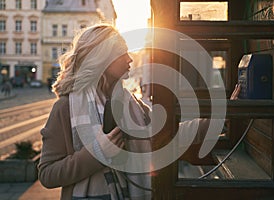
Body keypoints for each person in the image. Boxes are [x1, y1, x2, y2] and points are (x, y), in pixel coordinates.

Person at [38, 23, 241, 200]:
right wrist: (99, 153)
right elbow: (48, 174)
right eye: (122, 53)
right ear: (104, 59)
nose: (130, 59)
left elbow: (167, 135)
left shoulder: (130, 103)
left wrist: (222, 118)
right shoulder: (65, 108)